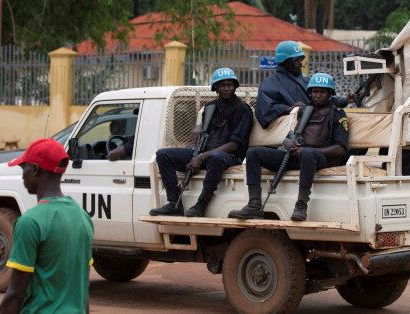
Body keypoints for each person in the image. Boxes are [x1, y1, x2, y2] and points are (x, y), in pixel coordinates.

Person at [229, 73, 349, 221]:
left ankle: (301, 205)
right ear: (310, 93)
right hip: (297, 155)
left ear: (330, 93)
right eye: (314, 91)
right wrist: (287, 143)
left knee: (307, 153)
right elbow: (292, 135)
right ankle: (254, 205)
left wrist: (306, 151)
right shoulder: (305, 112)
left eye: (322, 92)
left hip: (319, 158)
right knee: (253, 153)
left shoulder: (338, 114)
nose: (317, 95)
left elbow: (341, 148)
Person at [0, 138, 94, 313]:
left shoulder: (30, 222)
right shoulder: (83, 218)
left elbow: (15, 294)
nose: (22, 174)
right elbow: (82, 289)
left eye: (24, 167)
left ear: (35, 169)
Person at [150, 67, 253, 217]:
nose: (226, 88)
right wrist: (197, 136)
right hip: (204, 152)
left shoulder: (243, 109)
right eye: (222, 85)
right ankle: (174, 203)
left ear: (235, 86)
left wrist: (201, 156)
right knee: (163, 155)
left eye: (229, 85)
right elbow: (202, 136)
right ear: (215, 88)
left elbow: (234, 145)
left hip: (230, 156)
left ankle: (201, 205)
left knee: (216, 158)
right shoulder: (210, 107)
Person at [255, 40, 352, 129]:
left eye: (301, 60)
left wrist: (344, 101)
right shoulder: (269, 84)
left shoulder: (305, 80)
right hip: (289, 135)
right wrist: (290, 110)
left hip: (317, 125)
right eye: (296, 60)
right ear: (285, 61)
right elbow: (265, 110)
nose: (300, 64)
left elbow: (325, 99)